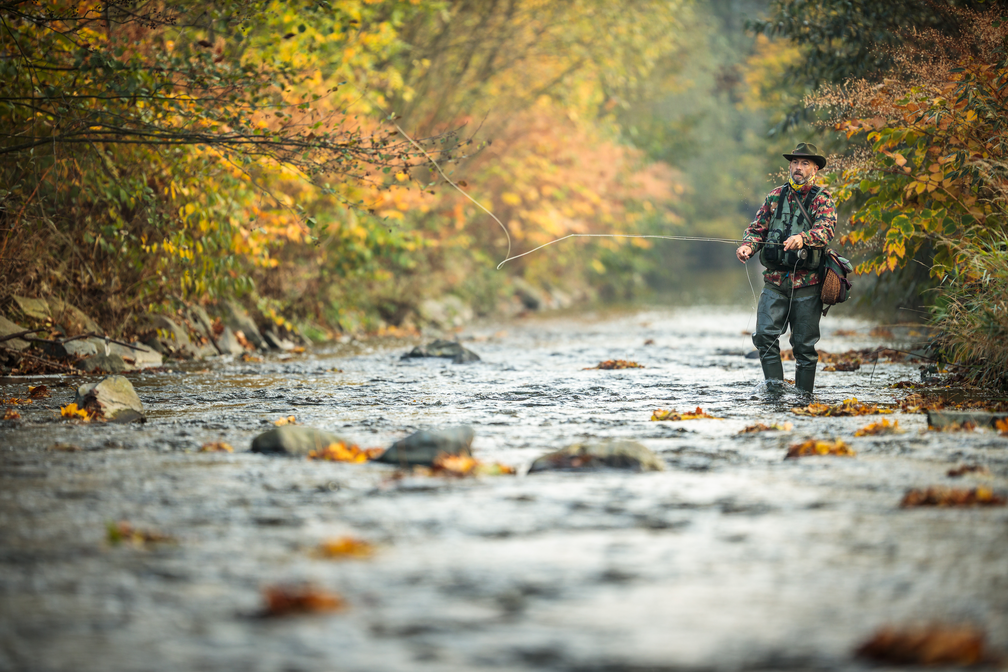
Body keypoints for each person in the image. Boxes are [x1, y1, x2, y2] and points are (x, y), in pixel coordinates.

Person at [736, 143, 837, 394]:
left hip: (808, 284)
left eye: (804, 163)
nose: (798, 168)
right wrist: (748, 246)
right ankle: (775, 393)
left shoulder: (822, 199)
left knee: (804, 347)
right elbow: (757, 229)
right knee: (764, 338)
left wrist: (803, 238)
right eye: (795, 163)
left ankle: (804, 398)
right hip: (774, 281)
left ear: (815, 168)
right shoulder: (774, 196)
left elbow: (826, 230)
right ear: (789, 166)